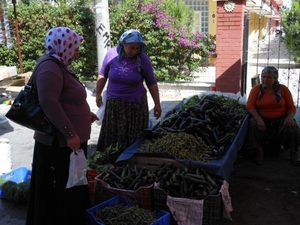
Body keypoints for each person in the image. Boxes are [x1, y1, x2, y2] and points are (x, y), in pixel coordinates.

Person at [26, 27, 98, 225]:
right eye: (75, 48)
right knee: (61, 190)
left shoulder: (59, 64)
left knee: (72, 187)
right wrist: (69, 133)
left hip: (67, 141)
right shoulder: (50, 67)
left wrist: (84, 113)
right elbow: (49, 102)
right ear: (63, 45)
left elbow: (65, 97)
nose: (77, 52)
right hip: (59, 143)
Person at [95, 29, 162, 155]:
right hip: (115, 105)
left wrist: (157, 104)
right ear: (123, 44)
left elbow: (151, 82)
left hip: (136, 105)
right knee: (113, 138)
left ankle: (131, 163)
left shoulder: (143, 59)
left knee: (134, 139)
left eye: (137, 48)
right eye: (131, 47)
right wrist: (98, 94)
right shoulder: (111, 54)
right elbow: (102, 75)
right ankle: (111, 163)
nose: (134, 51)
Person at [245, 66, 300, 166]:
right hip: (263, 120)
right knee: (252, 123)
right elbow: (249, 106)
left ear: (275, 78)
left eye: (269, 77)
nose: (265, 79)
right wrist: (258, 118)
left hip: (280, 120)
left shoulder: (283, 89)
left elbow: (291, 107)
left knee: (293, 127)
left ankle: (294, 154)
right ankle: (259, 152)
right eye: (263, 77)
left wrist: (290, 117)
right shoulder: (256, 89)